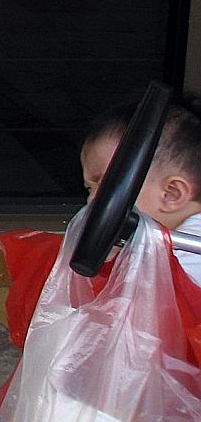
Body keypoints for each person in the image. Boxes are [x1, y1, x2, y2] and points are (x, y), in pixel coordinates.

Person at [82, 93, 201, 283]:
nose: (91, 199)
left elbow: (145, 301)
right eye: (89, 189)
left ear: (171, 194)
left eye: (107, 186)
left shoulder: (191, 254)